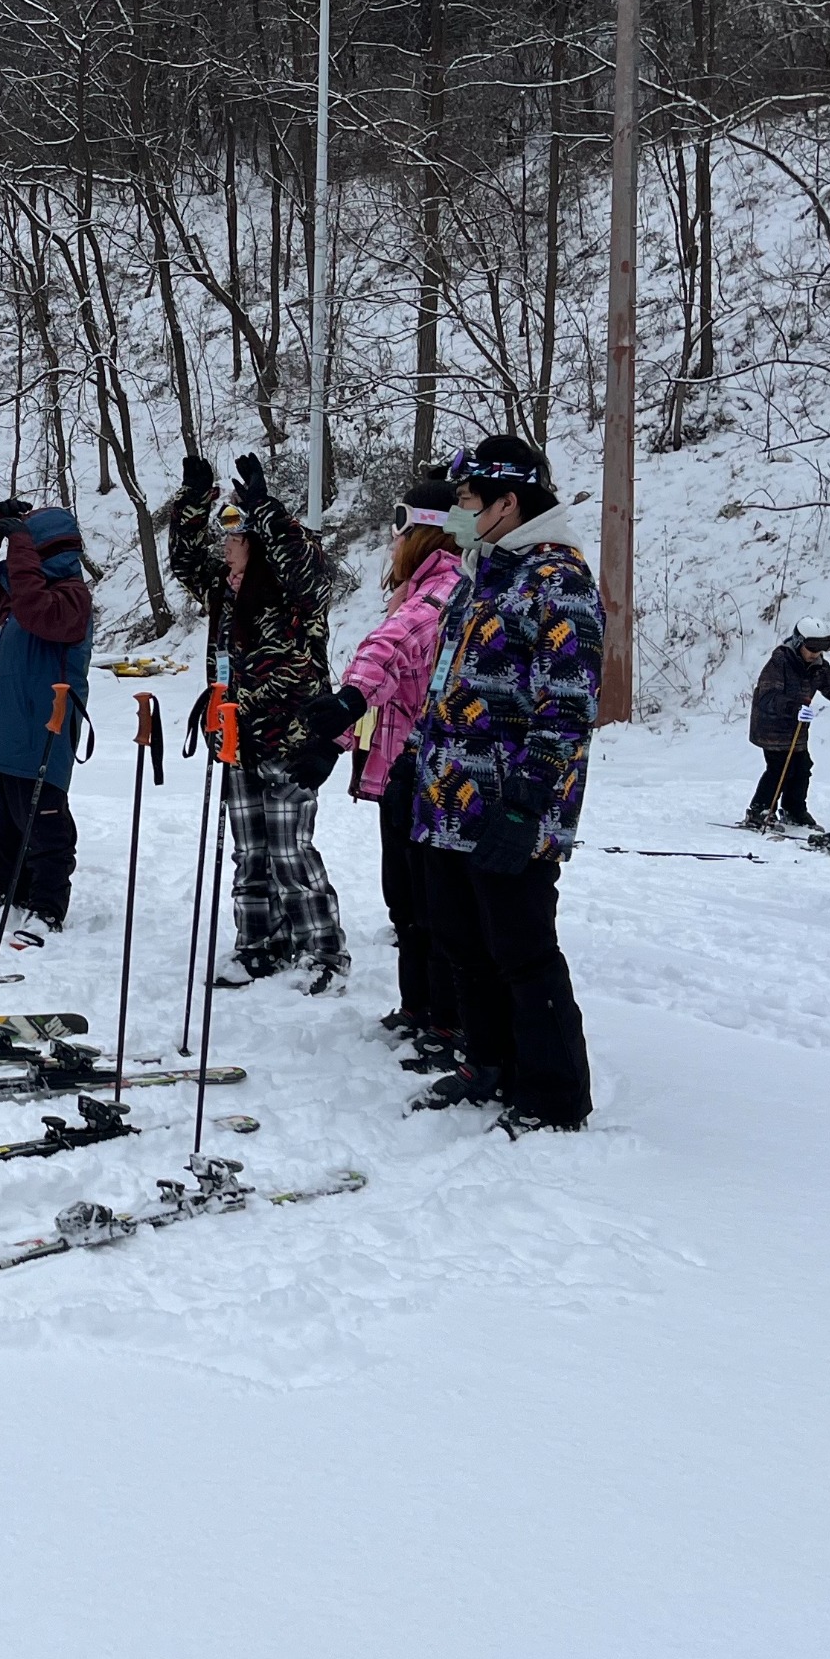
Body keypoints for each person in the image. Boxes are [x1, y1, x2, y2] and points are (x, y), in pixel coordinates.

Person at [409, 435, 603, 1134]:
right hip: (448, 801)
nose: (456, 515)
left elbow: (569, 704)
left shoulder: (558, 580)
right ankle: (487, 1063)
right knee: (463, 944)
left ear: (507, 501)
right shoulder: (482, 573)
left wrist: (527, 801)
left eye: (465, 502)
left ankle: (553, 1097)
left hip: (511, 810)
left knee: (522, 953)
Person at [172, 451, 348, 992]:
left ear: (258, 542)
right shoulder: (227, 590)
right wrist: (194, 503)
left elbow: (310, 566)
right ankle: (259, 945)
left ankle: (323, 952)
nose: (225, 548)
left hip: (290, 737)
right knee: (249, 852)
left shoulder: (297, 593)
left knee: (290, 850)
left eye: (235, 538)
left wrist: (266, 508)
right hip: (236, 738)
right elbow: (185, 561)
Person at [329, 476, 467, 1044]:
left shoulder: (446, 589)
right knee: (404, 899)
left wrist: (343, 702)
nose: (392, 542)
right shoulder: (413, 589)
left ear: (426, 533)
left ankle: (445, 1018)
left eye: (401, 530)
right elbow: (386, 688)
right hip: (398, 768)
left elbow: (389, 650)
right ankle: (417, 1006)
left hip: (428, 769)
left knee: (433, 904)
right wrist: (336, 741)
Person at [0, 498, 94, 927]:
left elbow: (38, 613)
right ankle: (12, 888)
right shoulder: (14, 591)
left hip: (42, 731)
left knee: (45, 824)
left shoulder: (72, 597)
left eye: (27, 546)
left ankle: (47, 904)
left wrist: (18, 546)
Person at [742, 619, 830, 831]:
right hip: (771, 725)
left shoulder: (818, 667)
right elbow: (768, 696)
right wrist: (794, 708)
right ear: (798, 642)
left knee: (802, 767)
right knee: (779, 768)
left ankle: (793, 810)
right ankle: (759, 811)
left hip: (798, 727)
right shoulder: (780, 662)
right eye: (812, 647)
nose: (816, 653)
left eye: (822, 648)